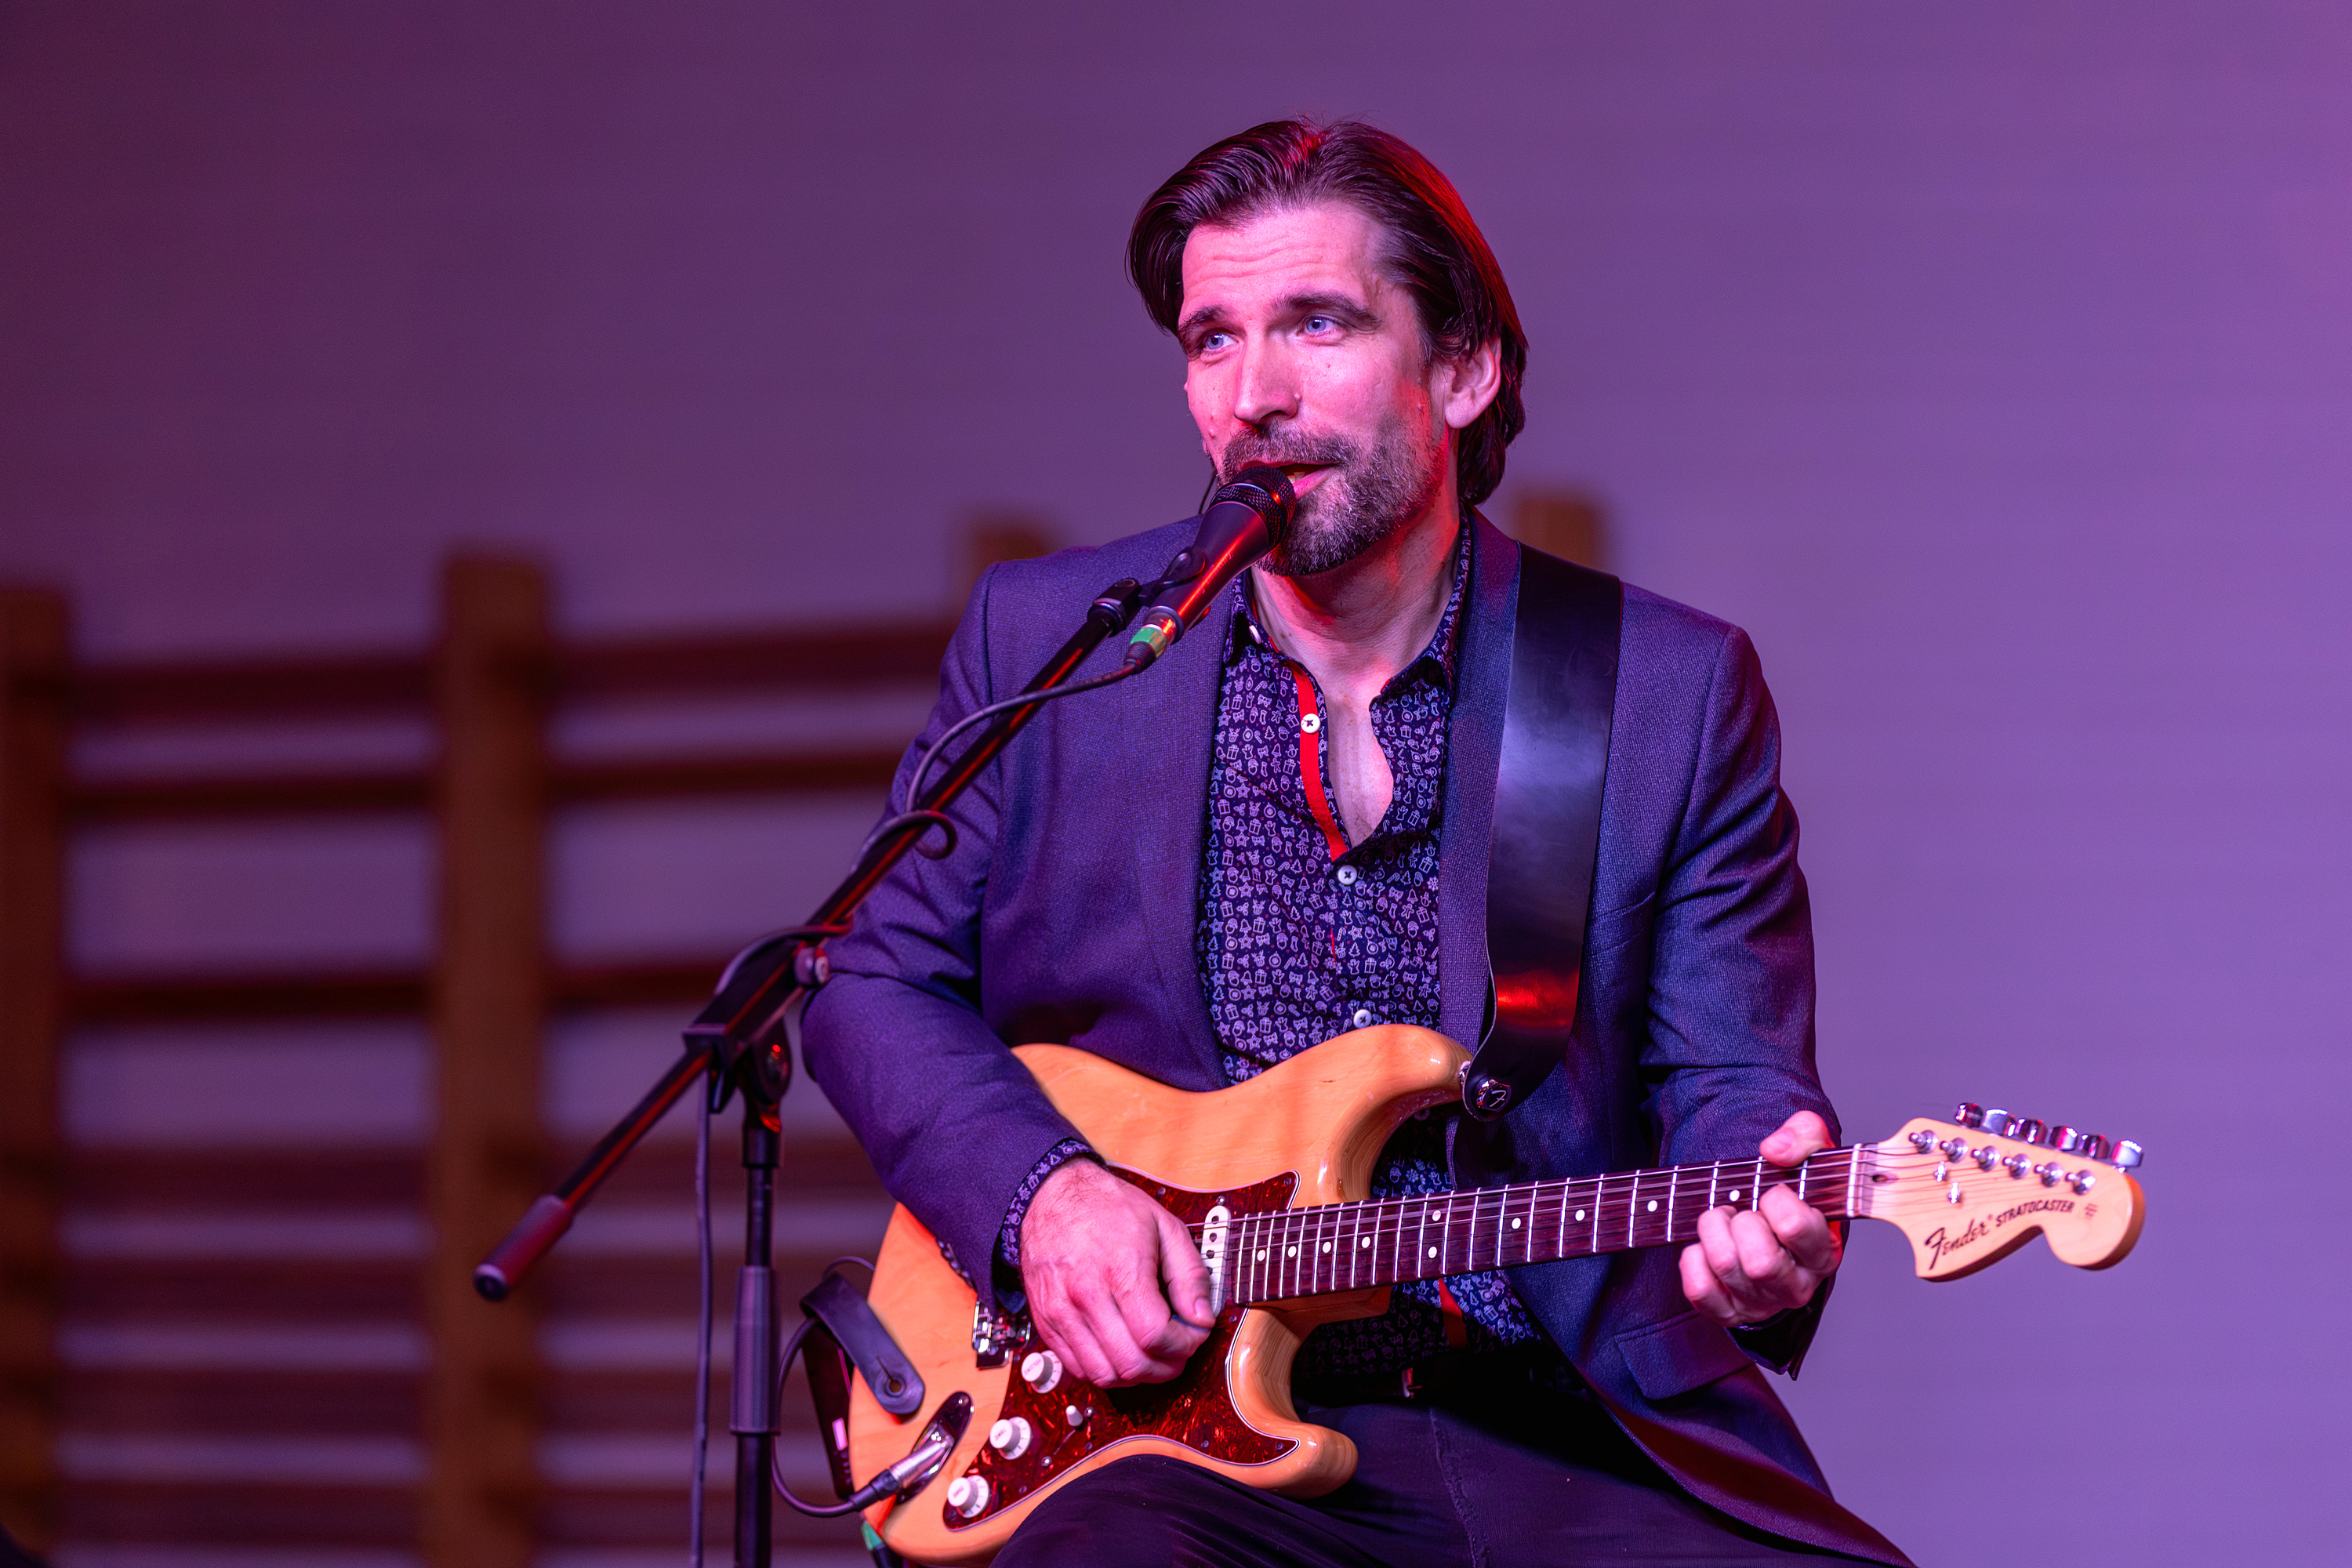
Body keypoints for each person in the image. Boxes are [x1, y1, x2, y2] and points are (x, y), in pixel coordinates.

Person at [800, 118, 1907, 1567]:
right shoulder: (1053, 644)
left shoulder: (1663, 689)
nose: (1253, 394)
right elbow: (866, 977)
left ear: (1465, 368)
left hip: (1559, 1415)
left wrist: (1760, 1217)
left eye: (1317, 323)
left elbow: (1731, 1080)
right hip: (1165, 1434)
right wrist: (1044, 1196)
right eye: (1212, 339)